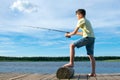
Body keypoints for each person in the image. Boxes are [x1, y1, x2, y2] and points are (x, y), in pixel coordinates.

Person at [64, 9, 96, 77]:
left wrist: (68, 35)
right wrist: (70, 33)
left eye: (77, 15)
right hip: (92, 38)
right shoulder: (87, 21)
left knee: (72, 45)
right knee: (91, 55)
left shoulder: (80, 20)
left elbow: (75, 32)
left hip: (87, 38)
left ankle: (71, 63)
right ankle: (93, 73)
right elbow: (82, 33)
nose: (77, 17)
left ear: (80, 15)